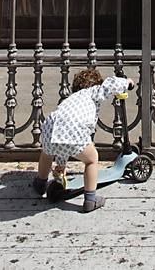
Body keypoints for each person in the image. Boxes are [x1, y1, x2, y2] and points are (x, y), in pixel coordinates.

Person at [31, 68, 134, 212]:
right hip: (73, 128)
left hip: (50, 126)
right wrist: (126, 82)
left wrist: (61, 165)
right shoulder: (92, 92)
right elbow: (109, 85)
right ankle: (90, 200)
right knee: (92, 159)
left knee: (47, 153)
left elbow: (62, 138)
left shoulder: (70, 100)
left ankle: (40, 183)